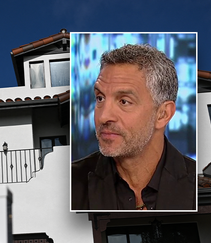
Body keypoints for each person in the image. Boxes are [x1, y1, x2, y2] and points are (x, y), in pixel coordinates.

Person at [71, 44, 196, 210]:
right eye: (100, 98)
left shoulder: (199, 184)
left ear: (163, 114)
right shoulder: (70, 183)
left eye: (124, 101)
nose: (103, 117)